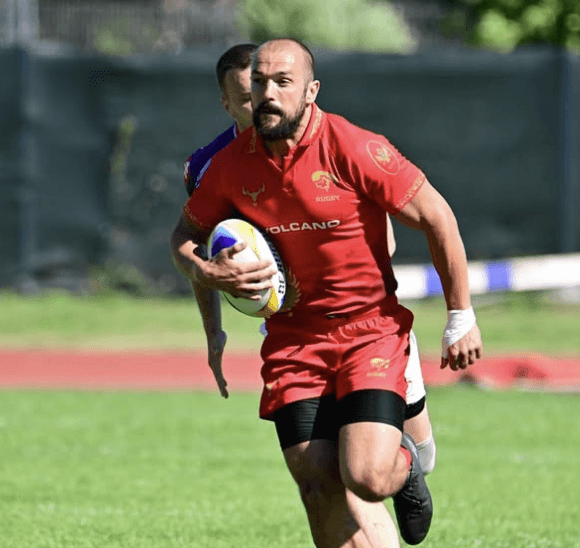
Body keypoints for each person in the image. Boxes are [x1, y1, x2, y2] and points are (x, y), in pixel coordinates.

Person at [172, 38, 482, 548]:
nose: (267, 94)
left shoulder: (353, 146)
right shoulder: (229, 166)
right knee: (317, 485)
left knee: (365, 476)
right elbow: (181, 239)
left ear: (311, 91)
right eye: (258, 83)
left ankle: (400, 466)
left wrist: (460, 315)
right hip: (294, 340)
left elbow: (436, 216)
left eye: (282, 83)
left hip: (369, 333)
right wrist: (206, 273)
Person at [185, 43, 438, 477]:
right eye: (247, 96)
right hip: (294, 325)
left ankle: (401, 465)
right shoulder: (211, 167)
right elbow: (206, 252)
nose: (263, 100)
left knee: (418, 456)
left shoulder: (323, 141)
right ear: (227, 104)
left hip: (366, 319)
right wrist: (215, 332)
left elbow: (388, 237)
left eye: (270, 86)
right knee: (335, 472)